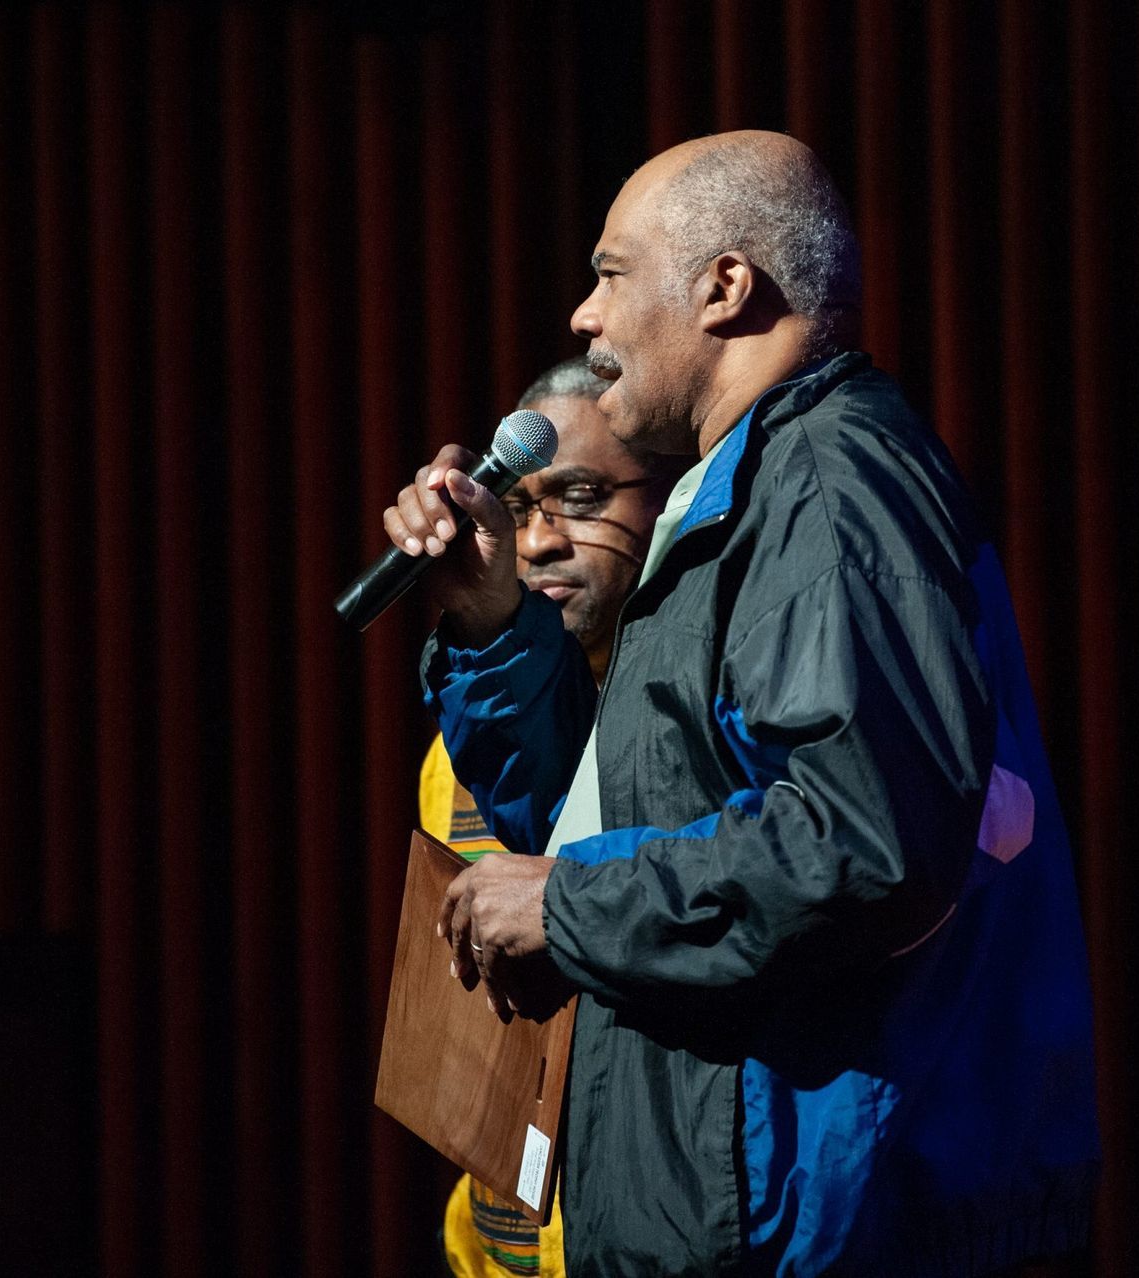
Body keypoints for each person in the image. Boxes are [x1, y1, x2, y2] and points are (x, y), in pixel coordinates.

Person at [382, 131, 1099, 1276]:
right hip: (732, 1211)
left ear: (725, 285)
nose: (581, 314)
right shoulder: (740, 497)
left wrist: (568, 906)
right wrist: (489, 622)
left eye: (612, 274)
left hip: (805, 1229)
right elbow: (600, 822)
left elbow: (860, 844)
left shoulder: (824, 484)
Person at [416, 358, 677, 1277]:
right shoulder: (454, 752)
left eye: (579, 494)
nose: (538, 542)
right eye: (517, 508)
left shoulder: (697, 728)